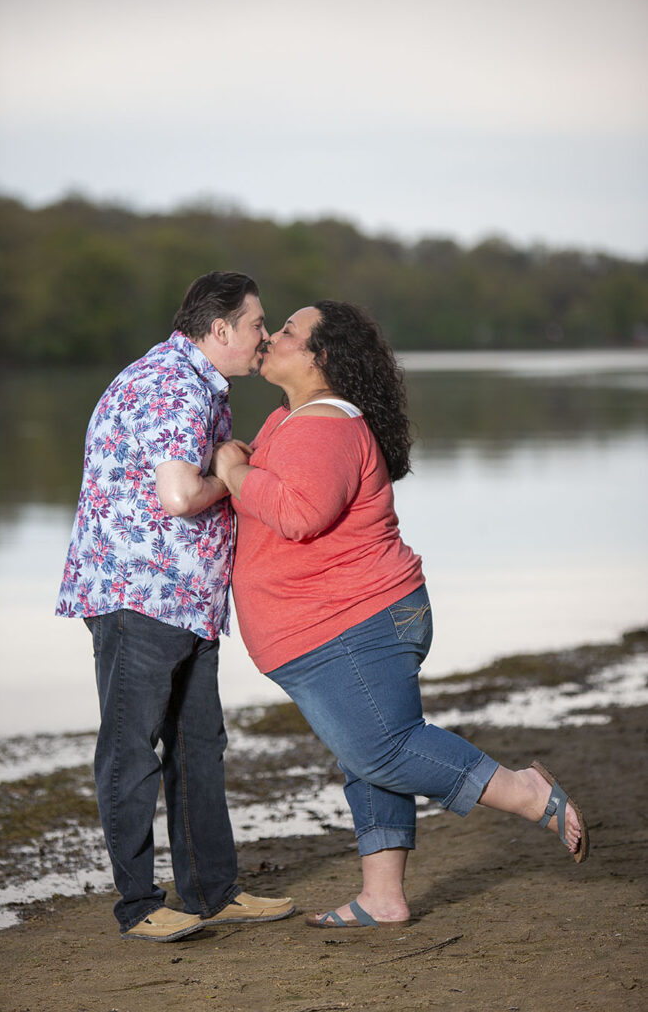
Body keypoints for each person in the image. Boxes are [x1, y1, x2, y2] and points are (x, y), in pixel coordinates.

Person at [211, 300, 590, 929]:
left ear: (321, 356)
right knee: (368, 753)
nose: (273, 337)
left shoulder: (323, 424)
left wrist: (234, 467)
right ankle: (382, 898)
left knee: (383, 749)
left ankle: (525, 790)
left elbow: (298, 512)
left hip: (353, 623)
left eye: (288, 332)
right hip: (342, 625)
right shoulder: (295, 419)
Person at [56, 271, 294, 941]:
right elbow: (180, 497)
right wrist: (230, 470)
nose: (264, 336)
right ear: (219, 330)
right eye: (256, 324)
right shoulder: (169, 385)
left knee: (198, 746)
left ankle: (213, 893)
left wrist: (225, 463)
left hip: (183, 597)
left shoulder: (193, 382)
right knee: (131, 752)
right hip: (141, 597)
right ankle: (138, 907)